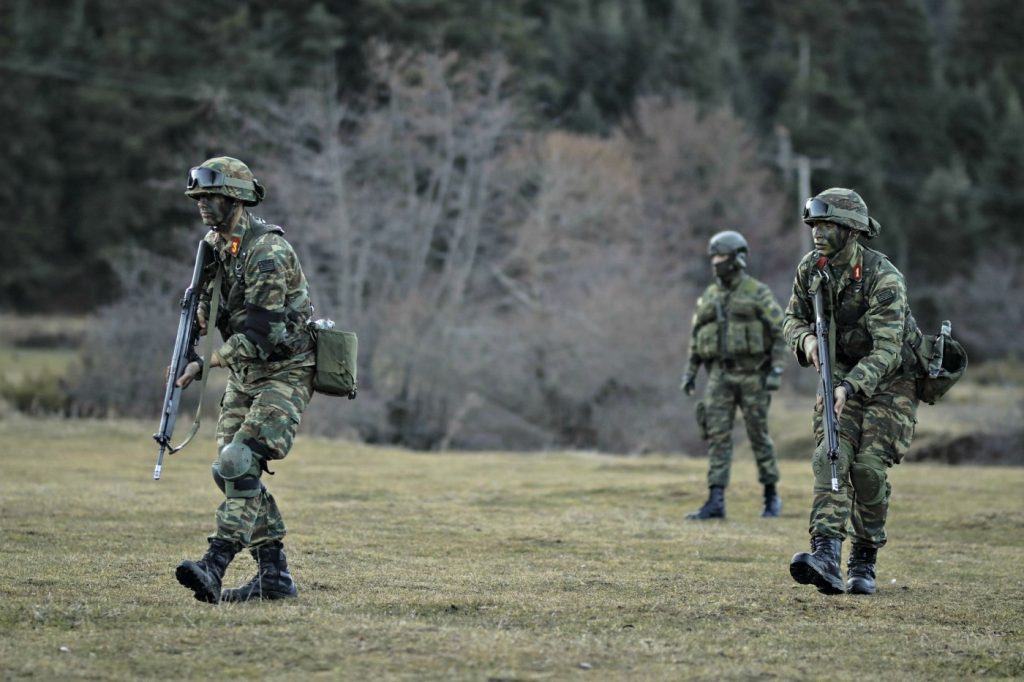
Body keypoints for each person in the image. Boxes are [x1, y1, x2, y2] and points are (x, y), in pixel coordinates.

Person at [173, 156, 316, 603]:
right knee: (231, 473)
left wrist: (207, 363)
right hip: (246, 372)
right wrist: (192, 332)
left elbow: (263, 335)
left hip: (285, 369)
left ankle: (215, 563)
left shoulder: (267, 253)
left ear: (234, 198)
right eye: (198, 197)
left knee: (239, 460)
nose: (202, 204)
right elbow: (210, 305)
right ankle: (274, 578)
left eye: (210, 196)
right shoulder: (214, 247)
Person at [783, 187, 919, 595]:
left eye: (827, 225)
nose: (817, 232)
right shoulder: (812, 269)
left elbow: (889, 348)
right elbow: (792, 318)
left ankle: (864, 558)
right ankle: (825, 554)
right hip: (837, 376)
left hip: (890, 382)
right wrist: (806, 342)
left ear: (851, 230)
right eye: (814, 225)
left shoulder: (883, 276)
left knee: (868, 470)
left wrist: (849, 385)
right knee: (832, 456)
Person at [680, 230, 786, 520]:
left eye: (721, 256)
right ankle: (715, 502)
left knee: (758, 436)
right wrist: (690, 373)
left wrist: (776, 370)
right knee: (717, 437)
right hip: (719, 378)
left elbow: (780, 333)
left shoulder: (757, 293)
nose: (716, 262)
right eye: (713, 256)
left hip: (753, 376)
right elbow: (697, 338)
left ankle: (771, 497)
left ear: (737, 258)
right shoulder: (710, 296)